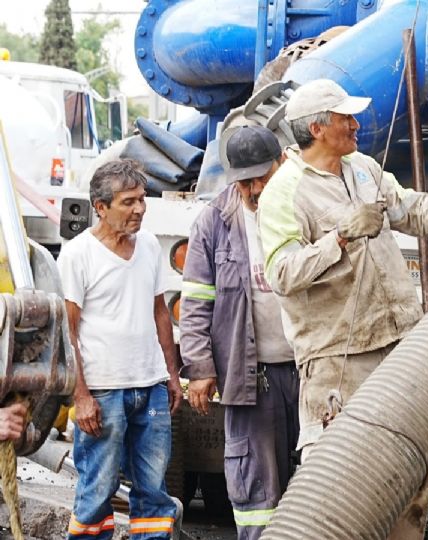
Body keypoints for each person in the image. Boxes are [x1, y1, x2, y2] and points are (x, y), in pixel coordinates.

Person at [256, 79, 428, 538]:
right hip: (338, 361)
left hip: (398, 346)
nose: (355, 124)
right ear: (317, 128)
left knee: (409, 474)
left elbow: (414, 213)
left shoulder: (363, 169)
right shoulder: (284, 193)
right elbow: (282, 275)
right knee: (341, 483)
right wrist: (341, 238)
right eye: (345, 118)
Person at [179, 125, 298, 539]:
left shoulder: (304, 207)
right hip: (252, 378)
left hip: (309, 372)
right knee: (256, 490)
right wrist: (199, 368)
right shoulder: (214, 222)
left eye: (261, 178)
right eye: (244, 181)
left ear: (282, 164)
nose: (253, 189)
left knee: (318, 479)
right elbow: (195, 303)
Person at [58, 159, 182, 540]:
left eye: (142, 199)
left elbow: (160, 312)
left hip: (151, 387)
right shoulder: (78, 254)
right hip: (103, 391)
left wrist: (171, 376)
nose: (139, 209)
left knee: (153, 490)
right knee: (97, 490)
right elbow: (68, 332)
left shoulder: (147, 245)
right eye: (128, 202)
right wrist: (81, 396)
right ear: (100, 207)